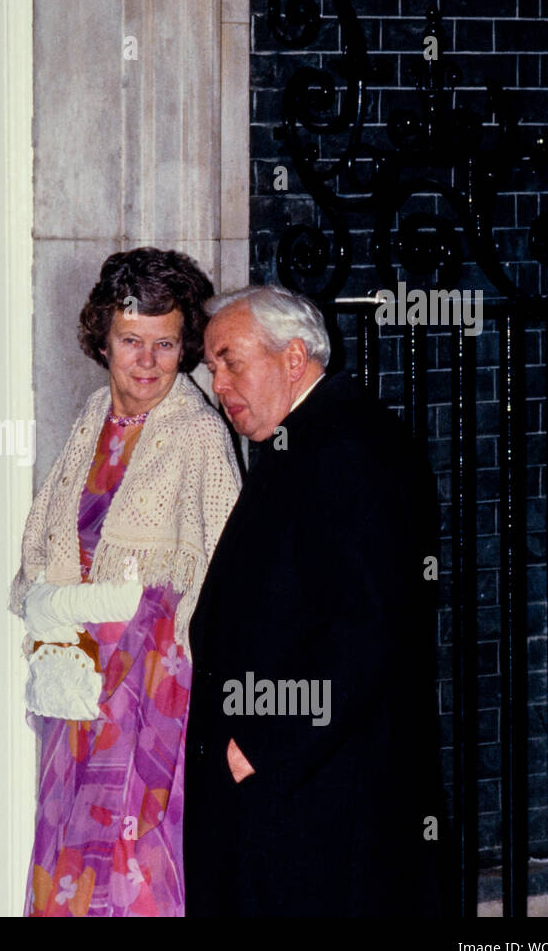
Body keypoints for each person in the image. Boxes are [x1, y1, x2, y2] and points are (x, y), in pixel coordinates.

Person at [183, 284, 443, 916]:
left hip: (314, 787)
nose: (218, 383)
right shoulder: (308, 438)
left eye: (230, 361)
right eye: (212, 367)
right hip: (298, 779)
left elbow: (367, 628)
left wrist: (265, 745)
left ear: (293, 357)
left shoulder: (343, 449)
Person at [9, 247, 243, 916]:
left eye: (165, 344)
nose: (146, 362)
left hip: (153, 688)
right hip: (77, 678)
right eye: (131, 341)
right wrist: (48, 605)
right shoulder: (91, 417)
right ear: (102, 340)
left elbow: (227, 576)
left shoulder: (198, 433)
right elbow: (44, 547)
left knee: (132, 863)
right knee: (67, 858)